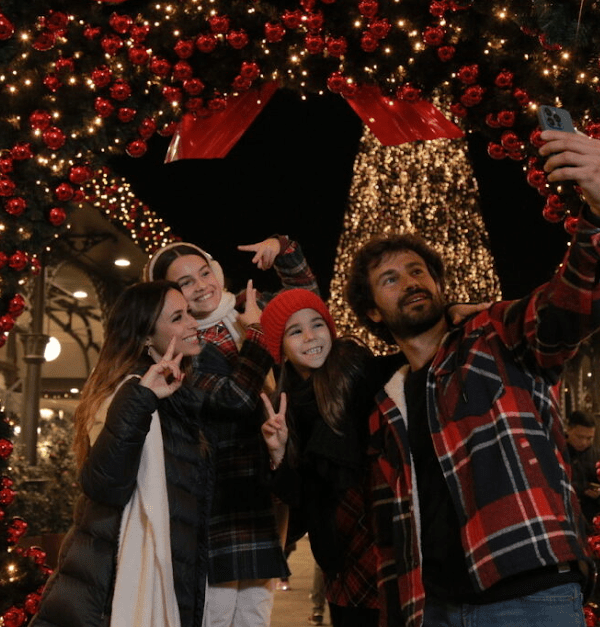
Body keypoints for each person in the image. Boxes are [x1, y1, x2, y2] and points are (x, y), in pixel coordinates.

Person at [344, 130, 600, 627]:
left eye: (418, 272)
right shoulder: (385, 405)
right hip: (431, 607)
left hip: (529, 590)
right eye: (391, 279)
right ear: (371, 310)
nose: (411, 282)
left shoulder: (492, 335)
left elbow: (572, 304)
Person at [146, 236, 317, 627]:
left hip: (265, 484)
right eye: (186, 282)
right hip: (217, 492)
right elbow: (236, 397)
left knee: (257, 610)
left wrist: (285, 250)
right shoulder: (182, 346)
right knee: (216, 613)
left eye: (204, 272)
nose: (202, 285)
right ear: (172, 296)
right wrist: (257, 332)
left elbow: (304, 301)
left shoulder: (244, 306)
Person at [31, 280, 213, 627]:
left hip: (168, 577)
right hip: (107, 587)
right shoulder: (124, 395)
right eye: (178, 317)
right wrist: (141, 399)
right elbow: (105, 483)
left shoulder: (178, 398)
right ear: (146, 338)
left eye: (189, 312)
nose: (192, 322)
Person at [258, 288, 384, 627]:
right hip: (338, 553)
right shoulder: (284, 408)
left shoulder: (356, 371)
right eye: (295, 331)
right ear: (280, 347)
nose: (311, 337)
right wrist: (279, 453)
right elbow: (299, 498)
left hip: (384, 534)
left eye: (318, 325)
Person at [565, 410, 600, 532]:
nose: (584, 443)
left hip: (592, 518)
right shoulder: (557, 452)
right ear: (569, 429)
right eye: (580, 437)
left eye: (589, 438)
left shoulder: (597, 455)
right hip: (566, 516)